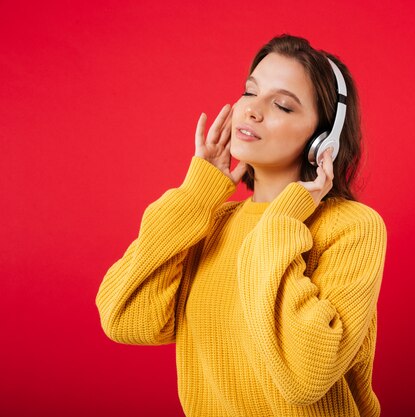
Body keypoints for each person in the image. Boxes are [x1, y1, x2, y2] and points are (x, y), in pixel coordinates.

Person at [96, 34, 387, 417]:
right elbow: (126, 318)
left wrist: (281, 219)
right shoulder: (210, 223)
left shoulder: (352, 227)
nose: (251, 110)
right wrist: (196, 196)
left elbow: (305, 376)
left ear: (322, 140)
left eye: (282, 105)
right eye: (250, 92)